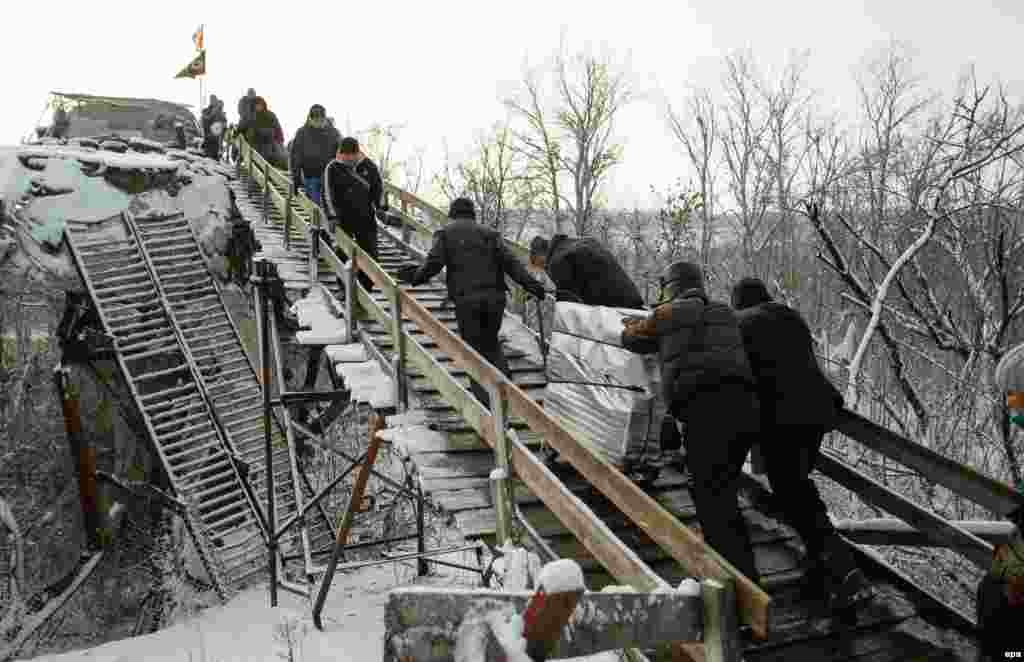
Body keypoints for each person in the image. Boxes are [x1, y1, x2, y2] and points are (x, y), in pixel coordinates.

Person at [731, 277, 872, 609]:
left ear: (739, 303)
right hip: (816, 411)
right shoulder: (790, 316)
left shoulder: (742, 322)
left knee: (794, 492)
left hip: (784, 418)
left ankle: (846, 572)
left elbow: (745, 375)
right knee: (797, 488)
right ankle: (823, 563)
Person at [619, 261, 761, 585]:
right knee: (723, 492)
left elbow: (633, 340)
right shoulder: (725, 312)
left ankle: (734, 588)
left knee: (710, 497)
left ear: (671, 288)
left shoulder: (667, 314)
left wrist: (631, 325)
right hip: (746, 410)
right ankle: (740, 573)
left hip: (706, 411)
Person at [396, 198, 548, 409]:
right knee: (491, 344)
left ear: (452, 214)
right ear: (472, 214)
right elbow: (512, 264)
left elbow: (433, 264)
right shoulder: (490, 234)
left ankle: (488, 410)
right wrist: (533, 286)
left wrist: (415, 277)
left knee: (473, 352)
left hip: (468, 301)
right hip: (495, 300)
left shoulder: (446, 233)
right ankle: (507, 394)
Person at [323, 137, 384, 292]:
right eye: (345, 158)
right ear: (340, 154)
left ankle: (366, 288)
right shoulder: (333, 168)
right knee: (344, 253)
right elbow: (328, 194)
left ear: (357, 154)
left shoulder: (368, 166)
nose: (349, 161)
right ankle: (344, 288)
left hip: (366, 217)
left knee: (371, 254)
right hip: (343, 218)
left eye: (352, 158)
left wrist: (381, 207)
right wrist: (331, 216)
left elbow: (378, 188)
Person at [528, 234, 645, 309]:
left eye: (541, 265)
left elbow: (567, 305)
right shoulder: (577, 243)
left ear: (540, 255)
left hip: (616, 310)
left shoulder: (558, 260)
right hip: (632, 299)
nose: (544, 269)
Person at [289, 104, 340, 207]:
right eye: (316, 119)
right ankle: (317, 221)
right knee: (315, 205)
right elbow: (295, 156)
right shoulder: (302, 133)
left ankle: (328, 220)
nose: (319, 122)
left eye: (321, 119)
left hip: (328, 174)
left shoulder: (333, 133)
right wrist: (296, 177)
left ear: (325, 118)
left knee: (330, 204)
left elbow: (340, 153)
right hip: (311, 175)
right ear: (310, 119)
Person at [238, 96, 286, 168]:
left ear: (264, 105)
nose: (259, 106)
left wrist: (280, 140)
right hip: (254, 144)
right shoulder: (250, 116)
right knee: (258, 159)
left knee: (271, 157)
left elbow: (277, 128)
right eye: (256, 105)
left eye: (260, 104)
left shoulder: (270, 115)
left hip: (268, 143)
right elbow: (241, 127)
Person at [201, 95, 227, 161]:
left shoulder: (220, 113)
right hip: (208, 139)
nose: (213, 102)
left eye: (215, 100)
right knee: (208, 158)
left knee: (215, 158)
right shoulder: (205, 111)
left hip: (217, 140)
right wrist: (212, 114)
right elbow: (205, 119)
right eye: (212, 100)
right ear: (210, 101)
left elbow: (224, 124)